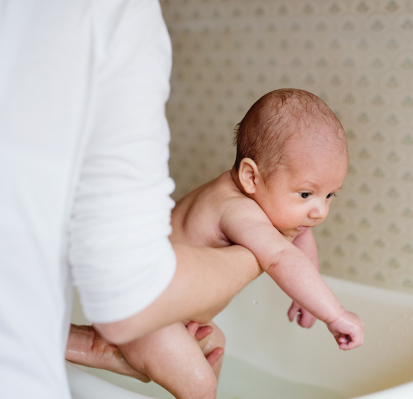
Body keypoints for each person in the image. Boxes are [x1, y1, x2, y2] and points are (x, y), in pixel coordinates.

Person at [0, 1, 260, 398]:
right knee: (201, 383)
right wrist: (263, 255)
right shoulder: (111, 11)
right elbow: (131, 299)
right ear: (250, 174)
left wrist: (82, 343)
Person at [117, 88, 364, 398]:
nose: (320, 211)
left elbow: (300, 236)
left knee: (214, 348)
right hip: (146, 314)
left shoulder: (263, 200)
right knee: (200, 385)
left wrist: (307, 294)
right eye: (306, 194)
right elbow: (282, 258)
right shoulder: (234, 209)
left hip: (172, 316)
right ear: (250, 177)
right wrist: (335, 314)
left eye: (330, 195)